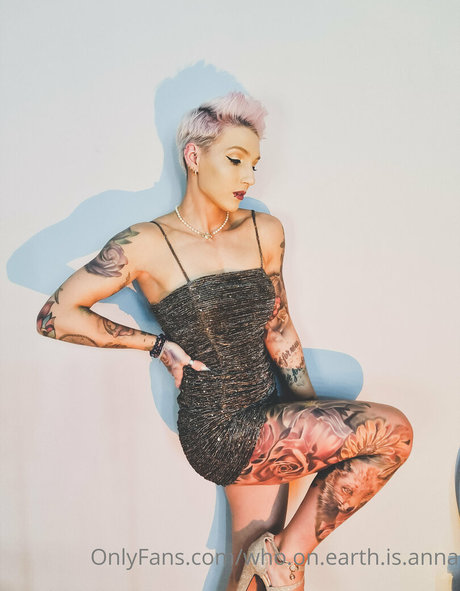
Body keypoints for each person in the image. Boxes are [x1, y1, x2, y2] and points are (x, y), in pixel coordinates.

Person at [36, 92, 413, 591]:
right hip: (217, 427)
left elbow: (280, 329)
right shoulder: (145, 243)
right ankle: (288, 559)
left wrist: (308, 412)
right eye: (235, 160)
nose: (248, 177)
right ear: (194, 156)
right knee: (393, 434)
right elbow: (55, 316)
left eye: (254, 164)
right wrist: (156, 346)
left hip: (269, 411)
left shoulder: (265, 230)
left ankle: (273, 563)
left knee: (253, 578)